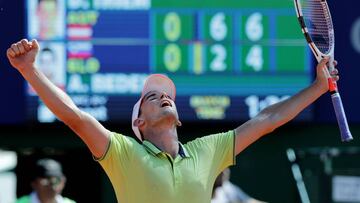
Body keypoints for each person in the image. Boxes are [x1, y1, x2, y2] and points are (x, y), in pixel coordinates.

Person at [6, 39, 339, 203]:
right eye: (152, 97)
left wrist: (318, 87)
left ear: (178, 119)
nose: (164, 97)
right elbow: (74, 117)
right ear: (139, 125)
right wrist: (29, 70)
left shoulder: (209, 150)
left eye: (167, 96)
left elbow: (268, 118)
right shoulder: (121, 152)